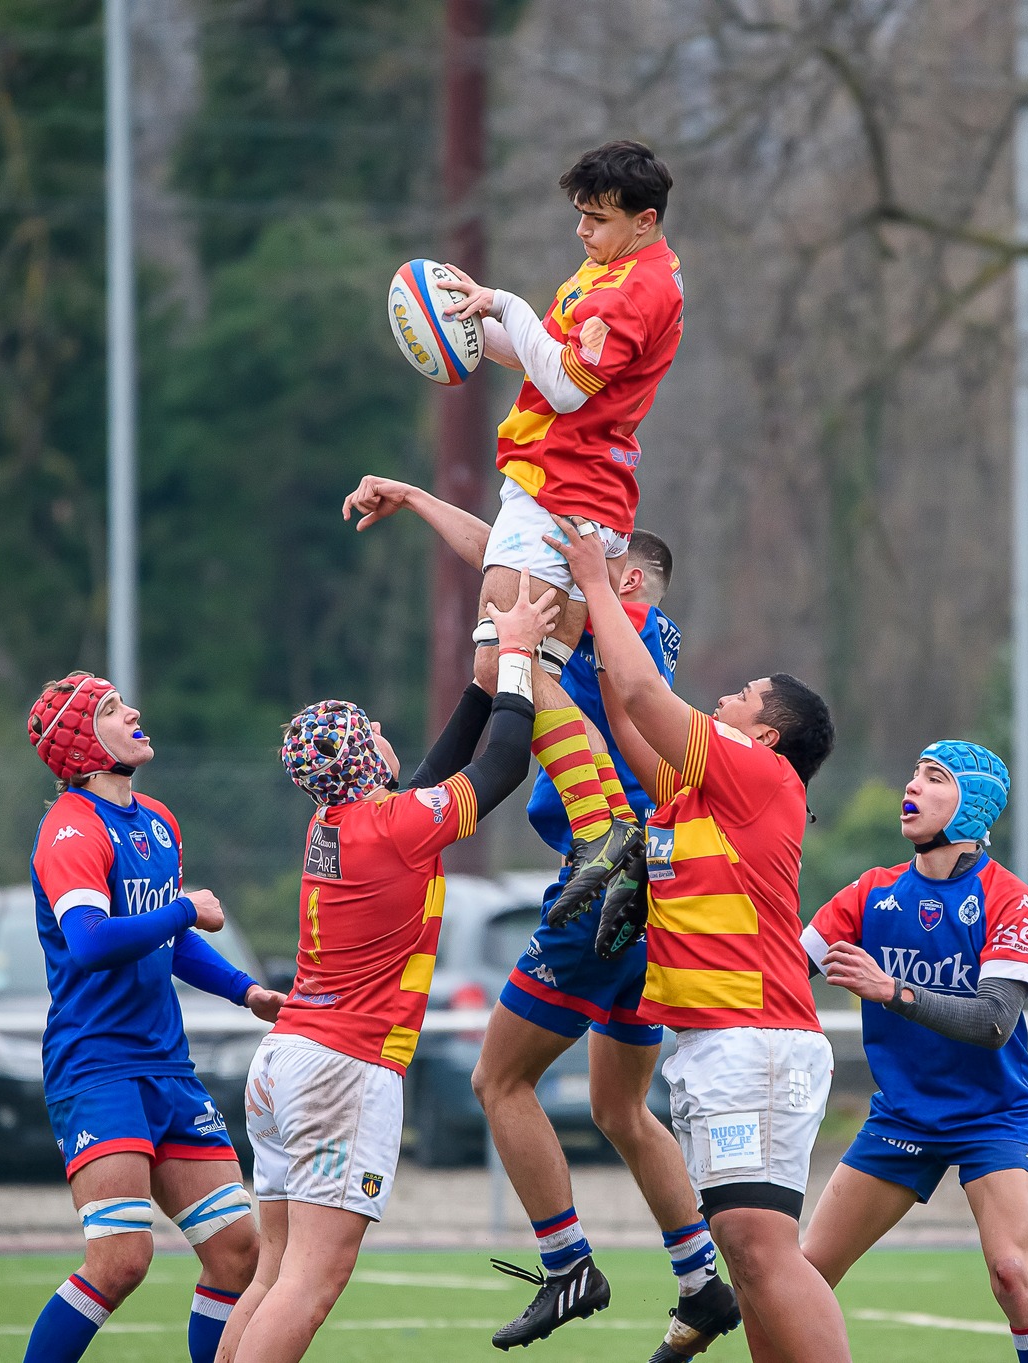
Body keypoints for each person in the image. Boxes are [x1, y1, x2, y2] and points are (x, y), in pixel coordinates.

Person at [344, 477, 735, 1355]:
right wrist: (418, 500)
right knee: (621, 1107)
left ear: (619, 578)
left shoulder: (609, 617)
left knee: (498, 1080)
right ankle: (702, 1281)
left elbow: (511, 568)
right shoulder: (633, 625)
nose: (545, 580)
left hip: (609, 873)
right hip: (656, 882)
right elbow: (504, 551)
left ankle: (568, 1266)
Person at [211, 575, 555, 1363]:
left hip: (288, 1061)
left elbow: (428, 780)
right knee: (312, 1280)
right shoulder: (393, 826)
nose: (383, 733)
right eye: (371, 730)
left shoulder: (335, 822)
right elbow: (503, 764)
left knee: (275, 1271)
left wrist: (479, 690)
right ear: (367, 758)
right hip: (346, 1066)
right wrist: (516, 659)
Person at [544, 518, 849, 1363]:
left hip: (754, 1039)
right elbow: (624, 712)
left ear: (767, 734)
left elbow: (648, 698)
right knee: (750, 1257)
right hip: (728, 1044)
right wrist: (609, 613)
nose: (724, 699)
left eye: (744, 695)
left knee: (758, 1248)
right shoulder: (695, 795)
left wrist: (596, 580)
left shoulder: (758, 773)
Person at [427, 139, 687, 922]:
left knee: (501, 661)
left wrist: (507, 303)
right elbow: (550, 360)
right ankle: (611, 823)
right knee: (524, 670)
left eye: (597, 219)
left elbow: (568, 390)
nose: (582, 230)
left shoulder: (633, 290)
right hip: (582, 491)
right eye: (579, 215)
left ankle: (602, 824)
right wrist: (471, 325)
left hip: (556, 487)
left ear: (645, 221)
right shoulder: (614, 270)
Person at [20, 673, 287, 1363]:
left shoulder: (159, 821)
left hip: (167, 1066)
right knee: (121, 1260)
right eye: (111, 709)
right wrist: (184, 908)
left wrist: (245, 992)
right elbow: (91, 941)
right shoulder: (71, 828)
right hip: (98, 1067)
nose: (134, 711)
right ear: (82, 743)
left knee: (238, 1253)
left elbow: (167, 940)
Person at [799, 743, 1028, 1363]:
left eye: (934, 777)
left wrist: (892, 990)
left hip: (990, 1117)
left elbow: (994, 1020)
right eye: (914, 773)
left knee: (1012, 1274)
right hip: (903, 1118)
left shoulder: (1011, 898)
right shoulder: (871, 892)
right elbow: (781, 972)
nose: (912, 786)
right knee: (800, 1278)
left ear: (972, 805)